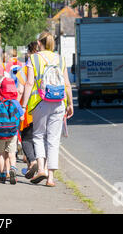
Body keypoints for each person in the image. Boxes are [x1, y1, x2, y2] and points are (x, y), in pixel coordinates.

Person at [20, 32, 74, 187]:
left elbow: (29, 83)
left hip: (40, 102)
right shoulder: (60, 59)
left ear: (38, 43)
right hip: (58, 102)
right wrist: (70, 104)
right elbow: (67, 84)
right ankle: (51, 178)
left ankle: (41, 168)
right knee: (53, 140)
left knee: (38, 136)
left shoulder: (34, 58)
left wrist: (23, 106)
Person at [0, 78, 24, 184]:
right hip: (12, 132)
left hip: (0, 132)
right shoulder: (15, 102)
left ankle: (3, 173)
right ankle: (12, 169)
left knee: (0, 153)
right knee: (11, 153)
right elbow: (22, 117)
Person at [16, 41, 39, 179]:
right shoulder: (46, 67)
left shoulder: (24, 69)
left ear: (30, 53)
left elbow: (20, 90)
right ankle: (41, 167)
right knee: (40, 139)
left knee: (26, 138)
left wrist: (18, 107)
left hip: (29, 108)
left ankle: (32, 161)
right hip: (45, 107)